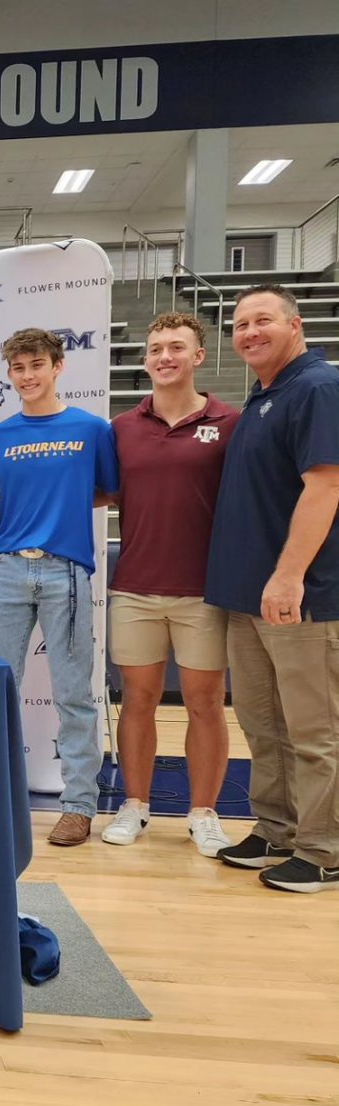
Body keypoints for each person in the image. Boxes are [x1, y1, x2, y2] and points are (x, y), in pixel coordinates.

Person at [205, 284, 339, 893]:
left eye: (262, 320)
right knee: (264, 726)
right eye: (239, 325)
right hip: (246, 597)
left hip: (301, 596)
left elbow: (325, 487)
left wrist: (288, 576)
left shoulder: (317, 387)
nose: (249, 332)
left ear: (295, 325)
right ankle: (277, 830)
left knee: (315, 732)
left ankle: (323, 849)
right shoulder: (264, 396)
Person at [0, 327, 119, 847]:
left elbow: (107, 491)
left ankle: (78, 804)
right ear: (9, 374)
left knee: (74, 692)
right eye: (18, 368)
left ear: (58, 367)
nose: (27, 376)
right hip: (8, 570)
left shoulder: (91, 428)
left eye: (36, 365)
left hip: (67, 570)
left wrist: (62, 514)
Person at [101, 313, 239, 857]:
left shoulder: (230, 422)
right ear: (146, 359)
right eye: (156, 348)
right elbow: (98, 492)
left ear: (198, 356)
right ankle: (135, 805)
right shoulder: (121, 427)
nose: (165, 356)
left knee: (205, 702)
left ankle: (203, 814)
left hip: (204, 590)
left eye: (176, 347)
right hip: (135, 586)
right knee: (138, 699)